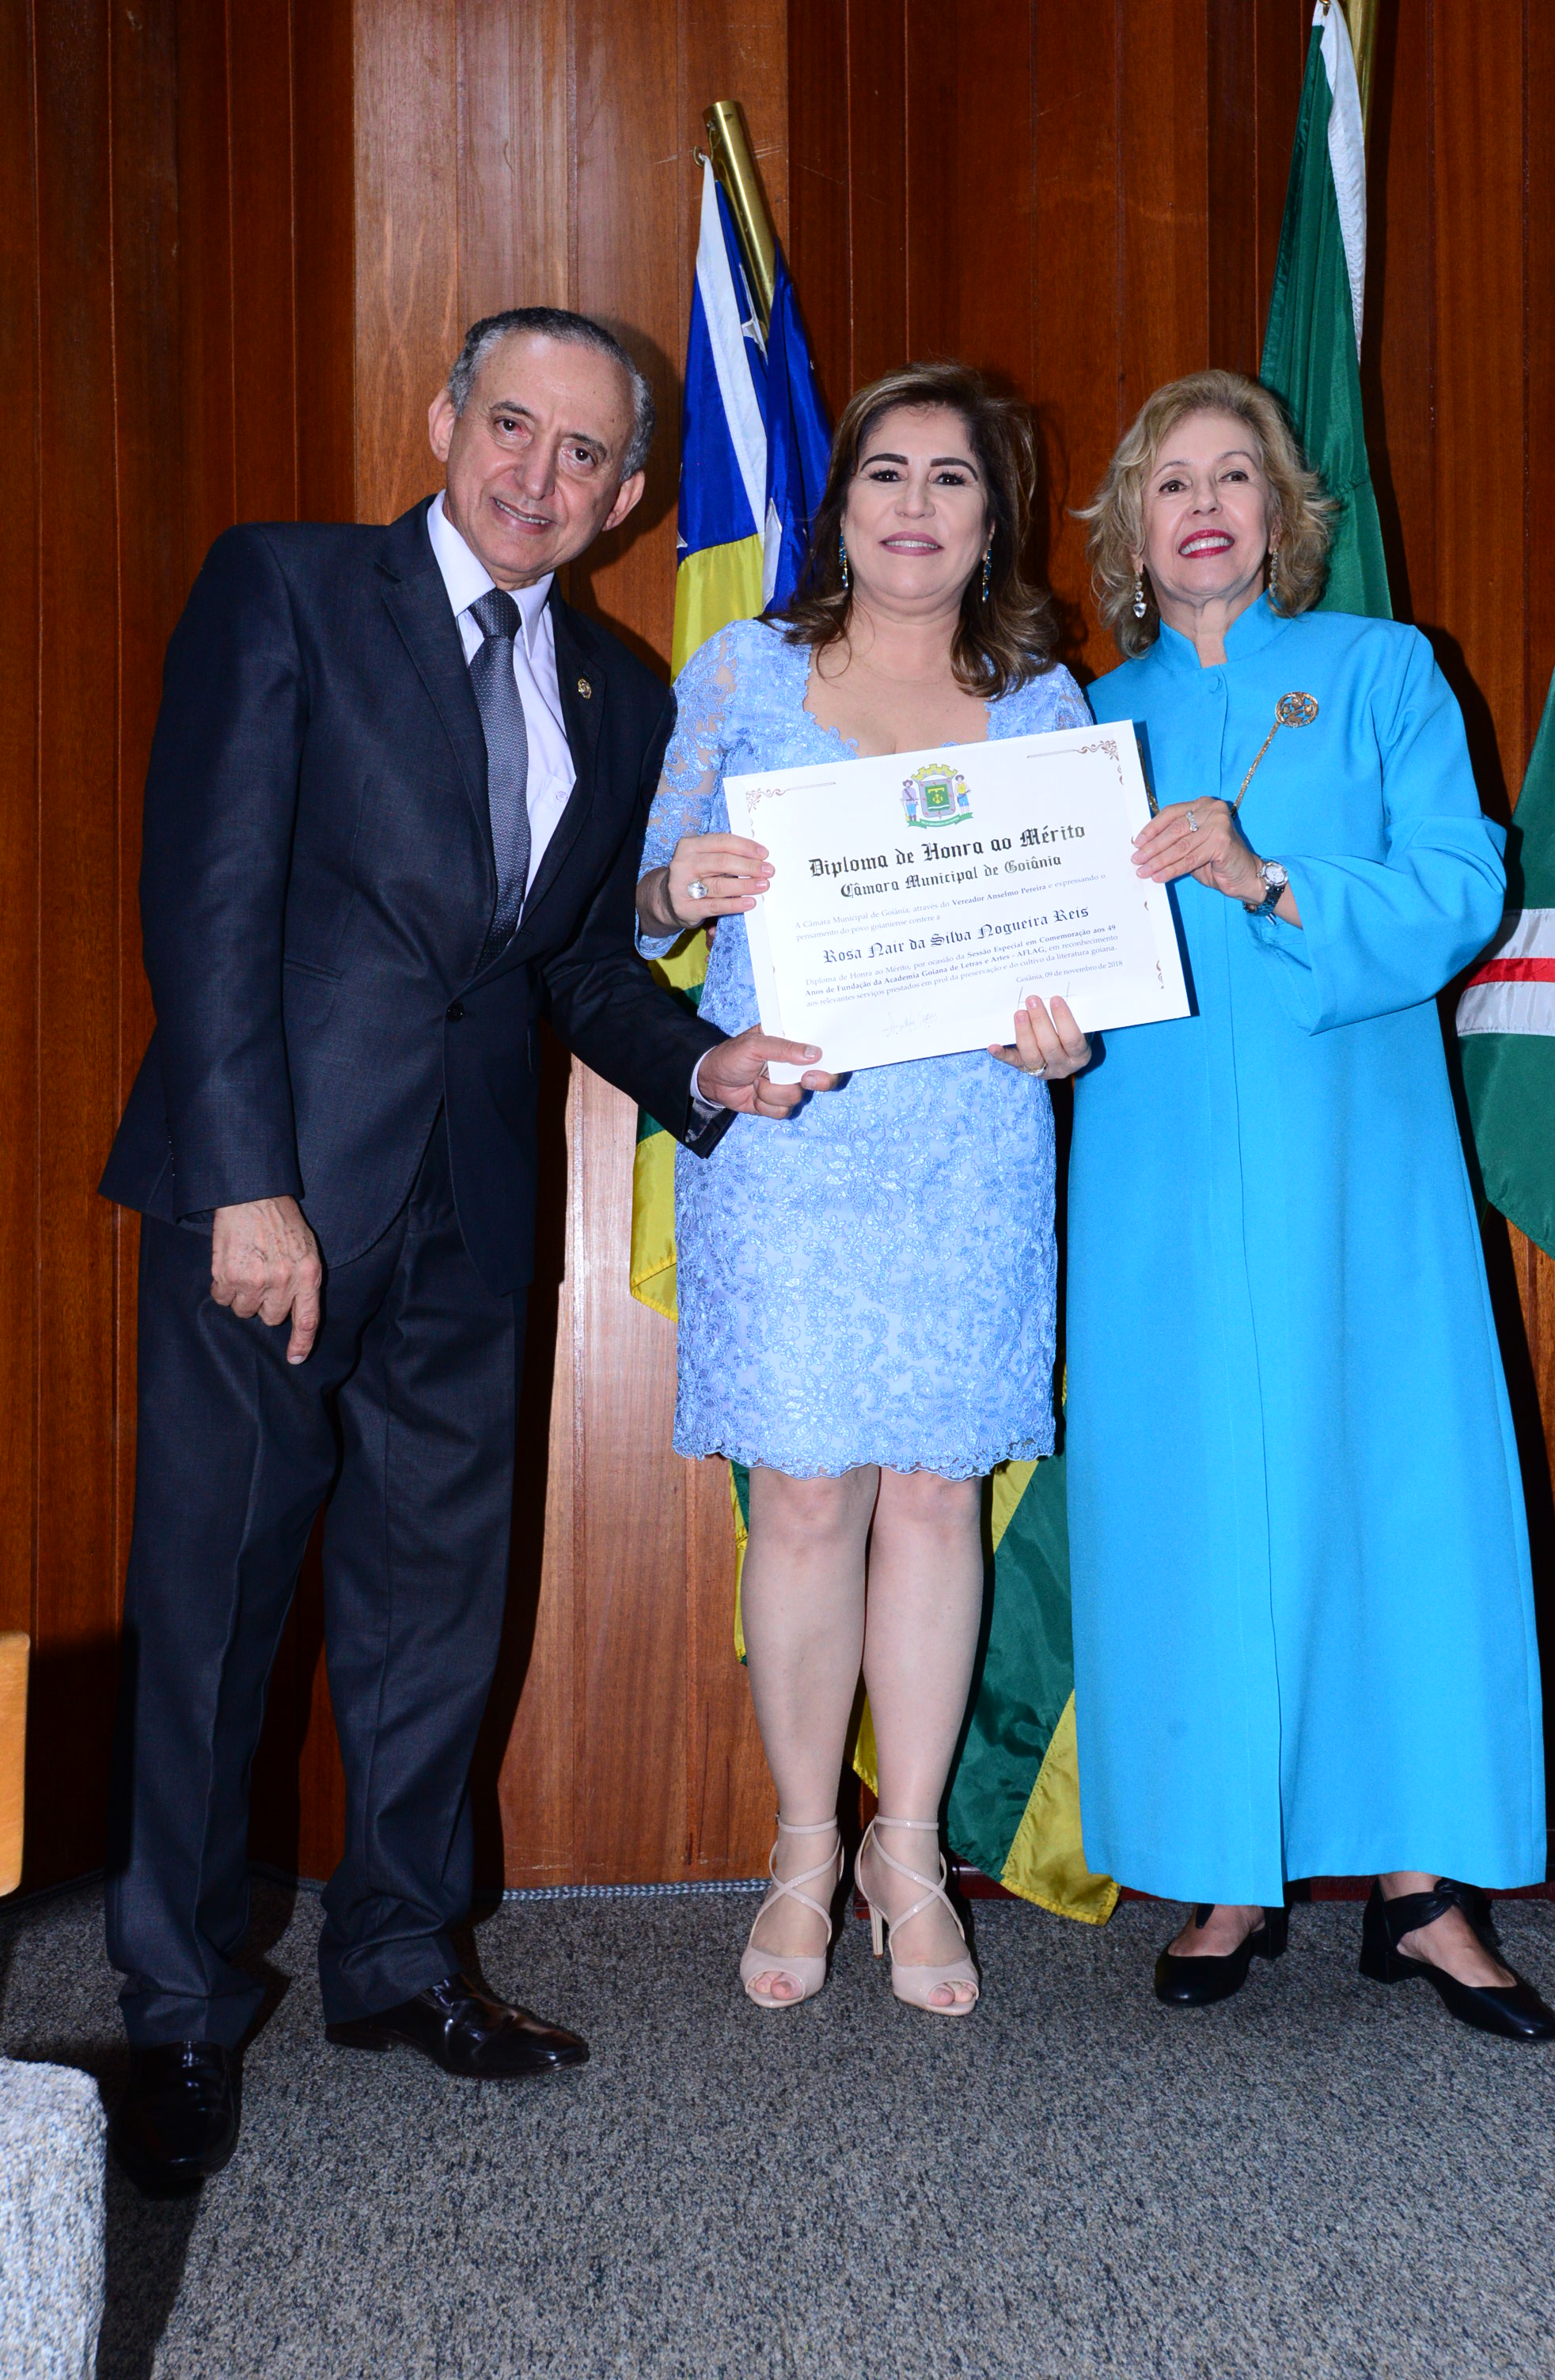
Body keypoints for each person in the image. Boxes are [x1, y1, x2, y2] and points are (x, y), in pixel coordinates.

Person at [100, 305, 834, 2195]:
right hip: (270, 1195)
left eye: (584, 454)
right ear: (444, 418)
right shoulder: (285, 589)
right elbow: (207, 890)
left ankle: (397, 1959)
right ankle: (173, 2003)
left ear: (628, 497)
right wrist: (247, 1179)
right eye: (512, 426)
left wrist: (702, 1067)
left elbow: (575, 963)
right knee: (215, 1607)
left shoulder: (616, 688)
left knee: (434, 1606)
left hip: (471, 1213)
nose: (538, 474)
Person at [1067, 367, 1555, 2040]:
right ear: (1131, 531)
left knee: (1396, 1487)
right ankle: (1225, 1866)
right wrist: (1027, 1025)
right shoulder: (1077, 719)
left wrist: (1266, 875)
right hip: (1153, 1161)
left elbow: (1461, 882)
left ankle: (1424, 1890)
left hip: (1358, 1149)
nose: (1201, 505)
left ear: (1281, 515)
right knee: (1190, 1493)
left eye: (1234, 475)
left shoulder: (1382, 671)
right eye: (1168, 482)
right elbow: (1035, 942)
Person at [635, 362, 1091, 2019]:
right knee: (810, 1496)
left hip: (971, 1143)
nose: (914, 503)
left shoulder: (1043, 701)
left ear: (991, 520)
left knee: (935, 1497)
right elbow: (632, 903)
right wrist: (680, 886)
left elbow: (1080, 945)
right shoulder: (742, 669)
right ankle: (802, 1847)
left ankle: (911, 1856)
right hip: (793, 1139)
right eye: (884, 472)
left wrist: (1066, 1035)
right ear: (838, 509)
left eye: (950, 478)